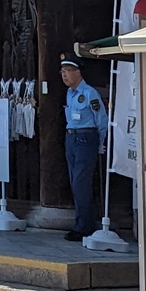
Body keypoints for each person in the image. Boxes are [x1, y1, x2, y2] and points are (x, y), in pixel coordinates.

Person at [59, 56, 107, 240]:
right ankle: (82, 223)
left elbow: (101, 120)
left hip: (86, 138)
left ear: (77, 72)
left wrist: (100, 143)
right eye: (62, 72)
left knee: (81, 183)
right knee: (74, 182)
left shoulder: (89, 93)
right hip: (71, 137)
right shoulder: (69, 94)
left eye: (68, 71)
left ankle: (84, 226)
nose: (64, 76)